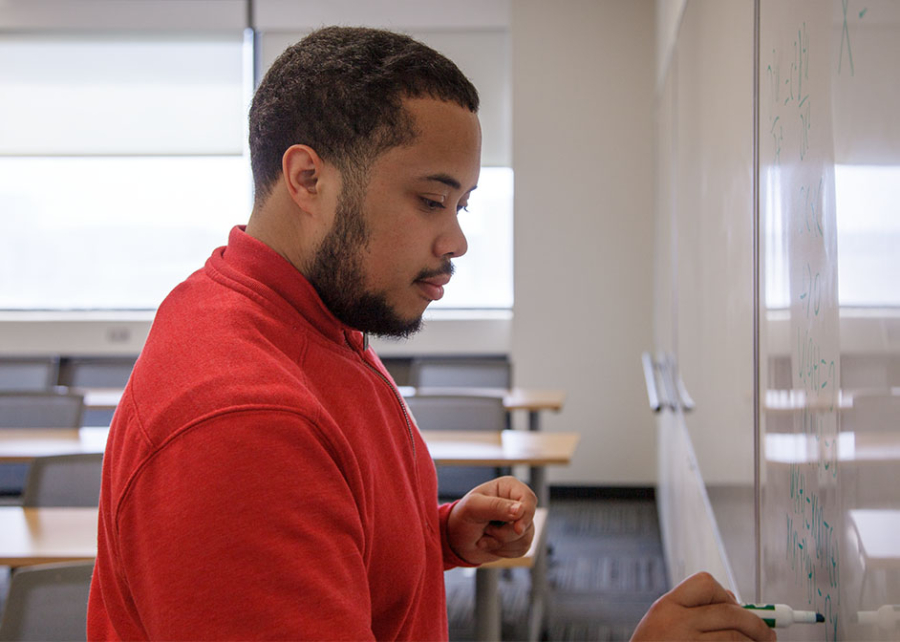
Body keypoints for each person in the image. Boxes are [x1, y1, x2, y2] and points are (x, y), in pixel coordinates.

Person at [87, 26, 774, 642]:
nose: (457, 239)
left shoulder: (311, 314)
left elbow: (324, 518)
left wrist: (435, 533)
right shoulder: (241, 422)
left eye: (463, 204)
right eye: (430, 200)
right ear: (307, 179)